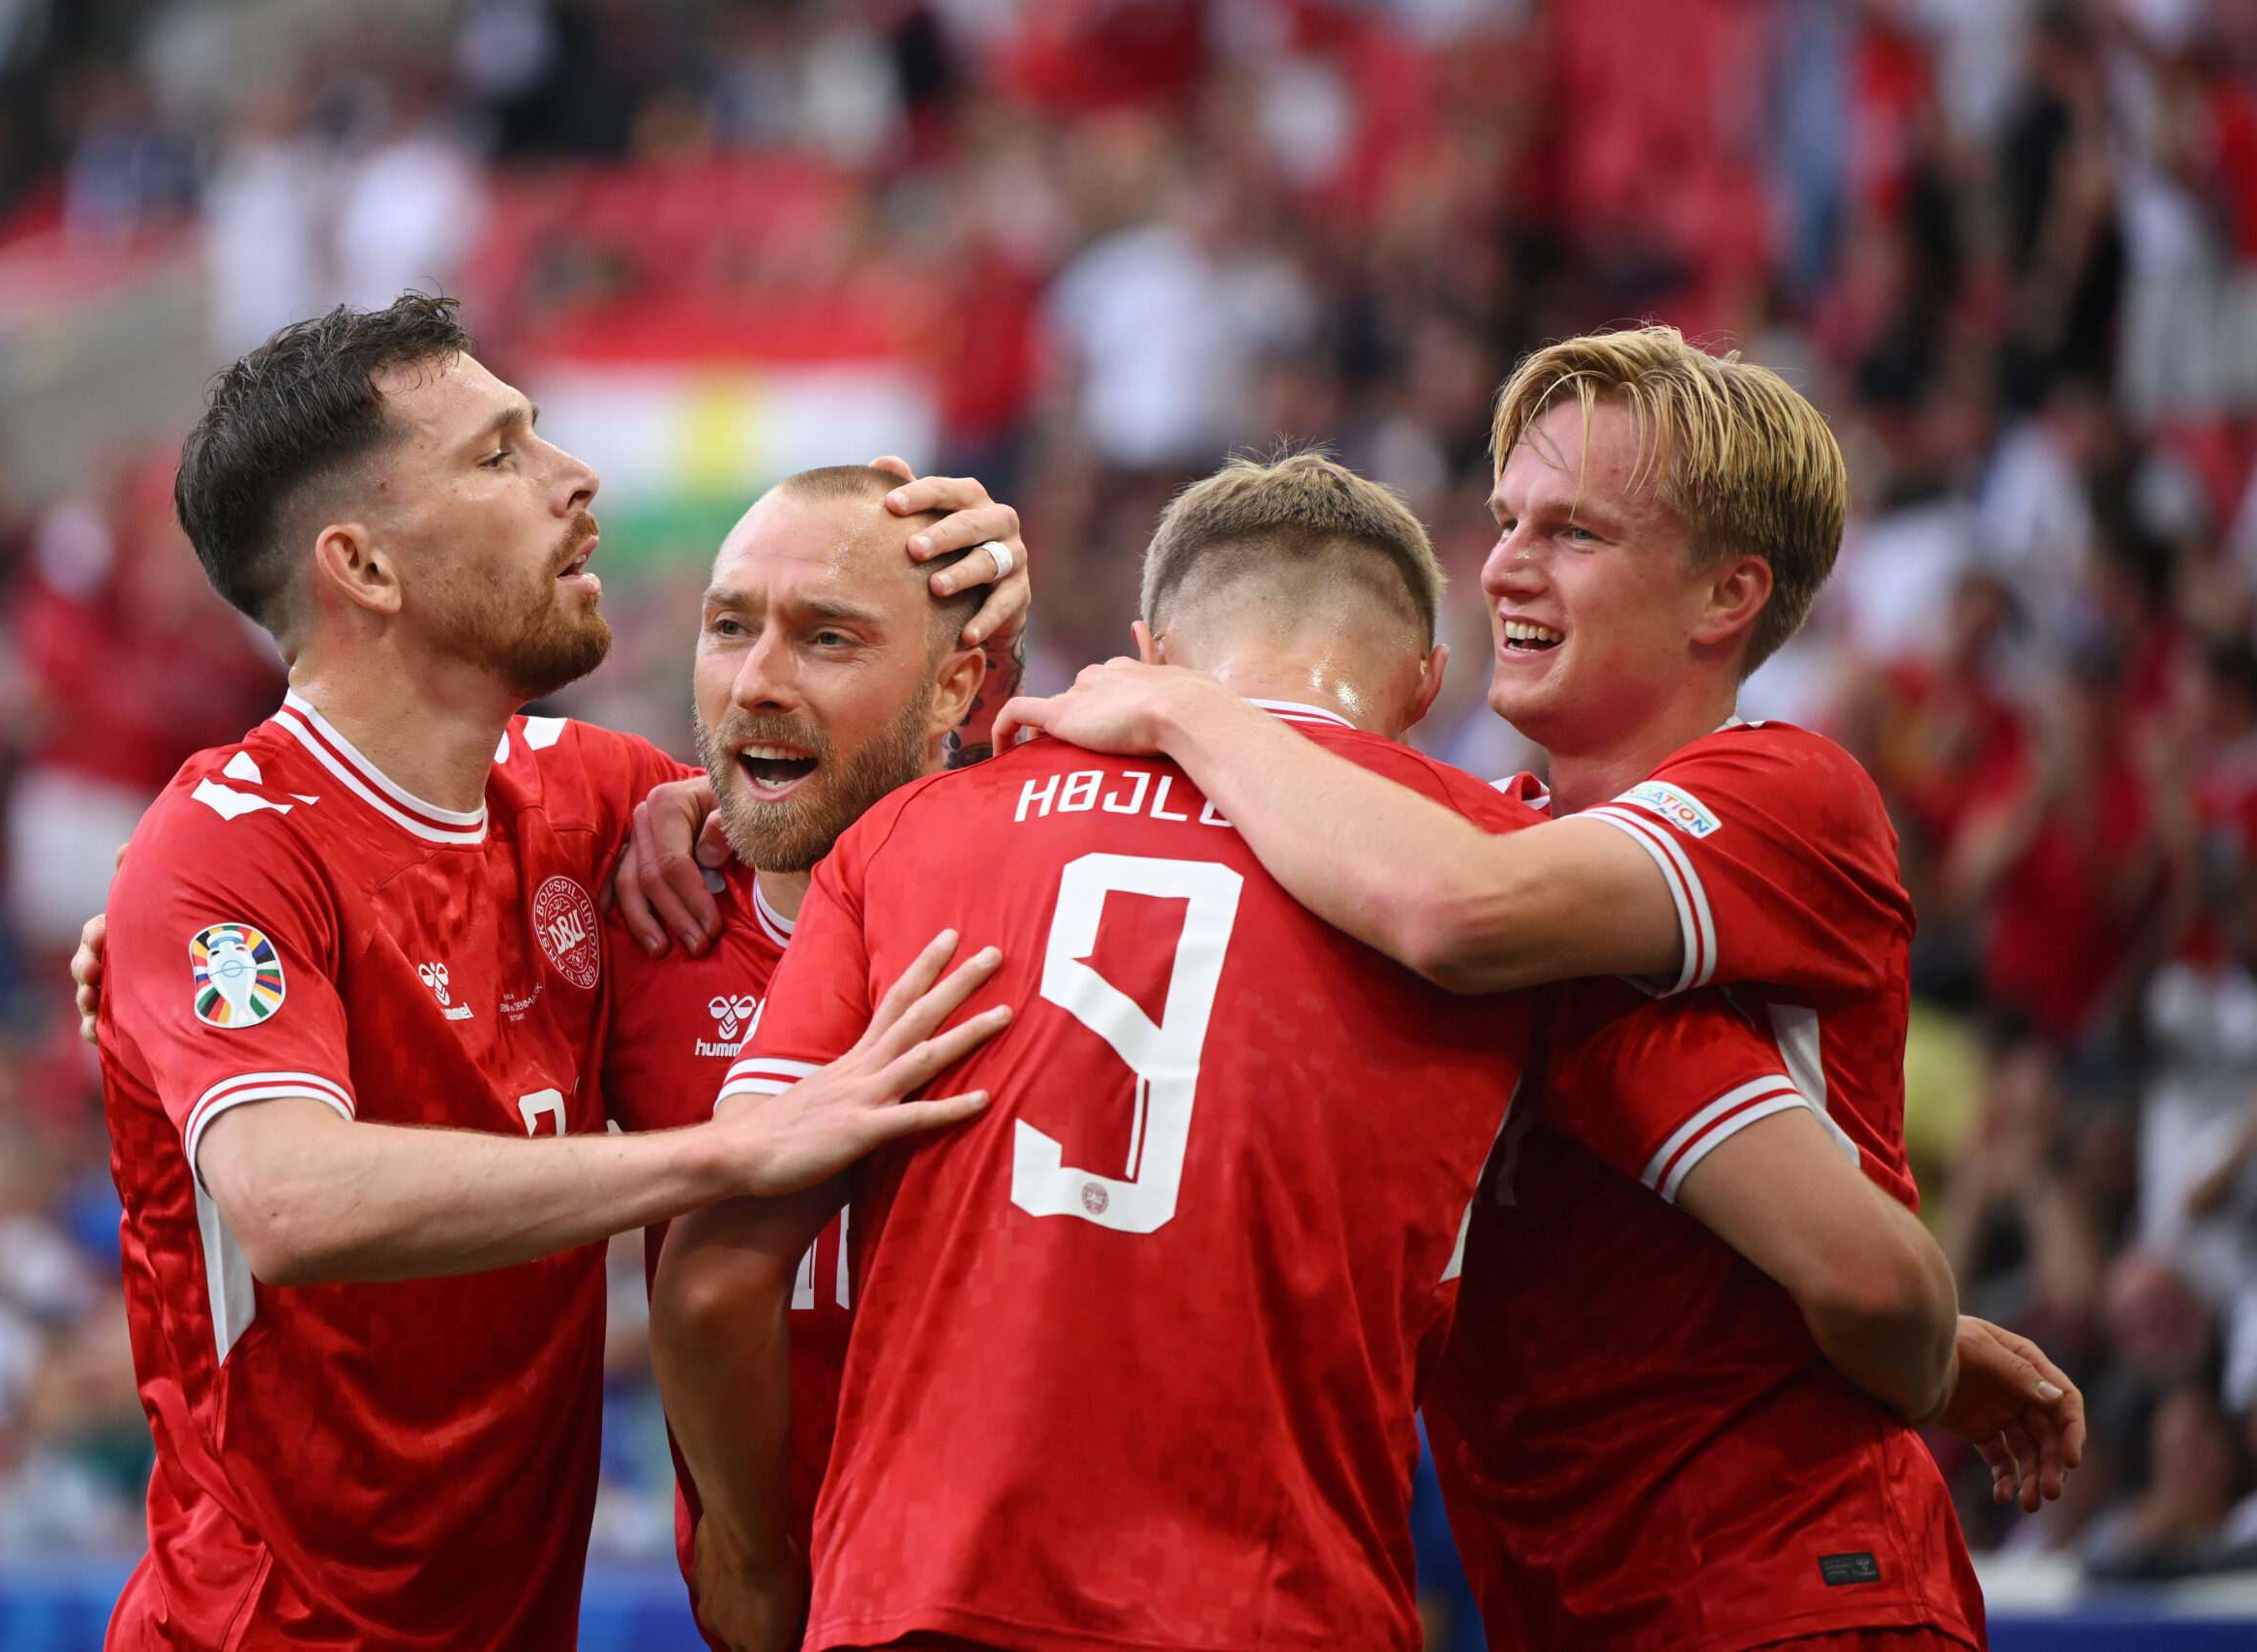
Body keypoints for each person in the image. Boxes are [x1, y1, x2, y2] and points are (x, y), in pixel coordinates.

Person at [997, 327, 2083, 1649]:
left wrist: (1187, 707)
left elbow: (1465, 913)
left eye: (1574, 532)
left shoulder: (1785, 792)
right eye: (1507, 518)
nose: (1505, 563)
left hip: (1783, 1597)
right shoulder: (1478, 834)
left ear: (1725, 594)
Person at [648, 455, 1834, 1652]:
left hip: (919, 1598)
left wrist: (754, 1569)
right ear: (1426, 683)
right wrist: (1922, 1352)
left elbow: (711, 1278)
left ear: (1149, 653)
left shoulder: (909, 835)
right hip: (1280, 1605)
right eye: (730, 625)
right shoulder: (1506, 867)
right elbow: (1852, 1262)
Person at [94, 296, 1019, 1650]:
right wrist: (731, 1152)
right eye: (498, 454)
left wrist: (973, 622)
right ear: (364, 566)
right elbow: (290, 1197)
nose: (573, 476)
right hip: (261, 1628)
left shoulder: (591, 799)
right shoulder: (223, 847)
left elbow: (853, 792)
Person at [597, 463, 996, 1634]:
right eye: (730, 627)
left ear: (954, 685)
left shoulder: (1044, 918)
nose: (757, 682)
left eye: (826, 638)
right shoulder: (629, 918)